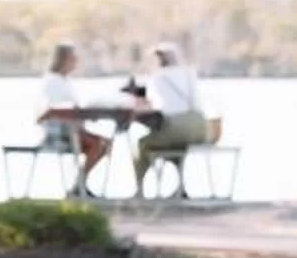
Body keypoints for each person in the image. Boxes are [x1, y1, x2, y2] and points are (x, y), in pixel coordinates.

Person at [130, 42, 214, 195]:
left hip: (176, 127)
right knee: (176, 146)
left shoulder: (158, 77)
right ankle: (180, 188)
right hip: (200, 129)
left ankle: (139, 189)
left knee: (143, 143)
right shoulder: (190, 74)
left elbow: (151, 106)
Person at [36, 43, 111, 198]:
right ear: (63, 59)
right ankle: (79, 186)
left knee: (105, 143)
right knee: (98, 144)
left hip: (74, 128)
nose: (76, 63)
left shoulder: (66, 81)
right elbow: (50, 110)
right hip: (59, 132)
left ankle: (79, 184)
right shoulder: (52, 81)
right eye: (73, 59)